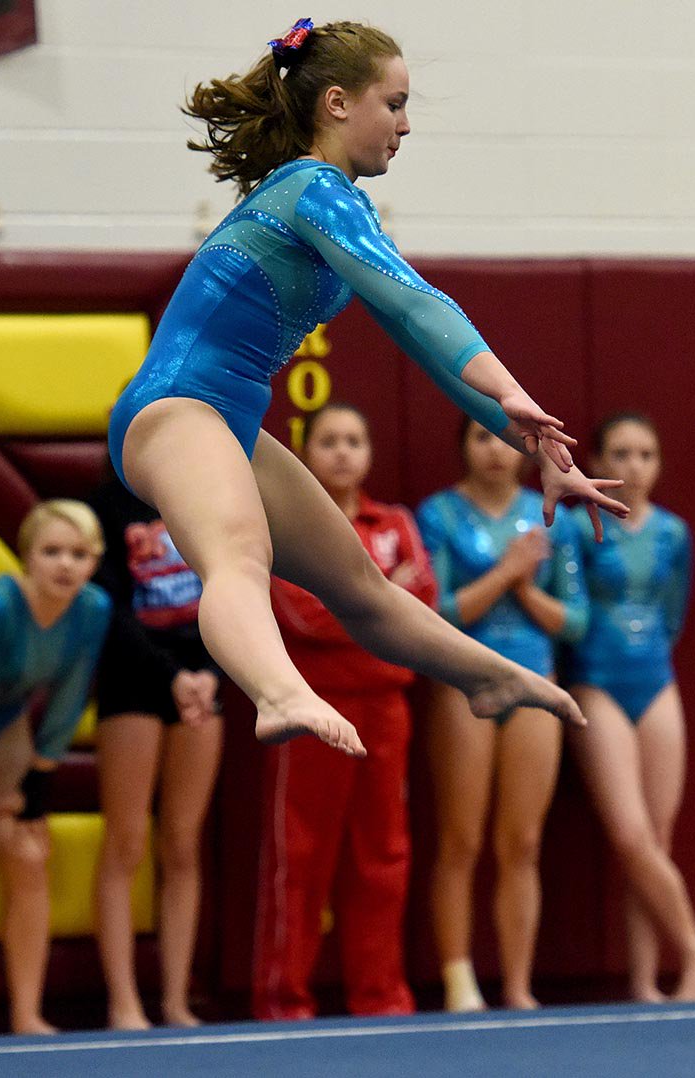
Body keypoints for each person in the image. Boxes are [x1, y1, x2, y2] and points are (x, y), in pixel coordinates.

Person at [107, 19, 629, 763]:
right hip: (174, 410)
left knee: (359, 583)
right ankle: (277, 692)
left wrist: (539, 450)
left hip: (228, 421)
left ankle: (486, 677)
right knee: (238, 554)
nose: (405, 125)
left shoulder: (335, 202)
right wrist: (510, 391)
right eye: (395, 103)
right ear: (338, 103)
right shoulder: (311, 187)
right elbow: (419, 304)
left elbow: (419, 338)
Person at [253, 402, 436, 1020]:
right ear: (306, 452)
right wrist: (384, 594)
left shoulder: (396, 522)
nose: (342, 451)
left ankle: (380, 997)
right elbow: (300, 614)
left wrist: (355, 601)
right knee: (300, 857)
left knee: (385, 855)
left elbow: (425, 601)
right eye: (329, 440)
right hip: (312, 709)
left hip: (386, 708)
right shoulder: (285, 524)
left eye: (354, 440)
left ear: (370, 453)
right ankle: (283, 1001)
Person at [416, 418, 588, 1011]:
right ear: (463, 445)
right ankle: (459, 982)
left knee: (522, 842)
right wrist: (508, 573)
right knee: (460, 838)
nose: (495, 449)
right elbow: (433, 613)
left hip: (534, 681)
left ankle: (518, 987)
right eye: (481, 437)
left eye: (505, 439)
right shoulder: (439, 514)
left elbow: (576, 622)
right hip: (465, 682)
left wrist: (525, 589)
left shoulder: (552, 517)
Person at [567, 413, 695, 1002]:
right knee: (630, 835)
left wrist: (647, 655)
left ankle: (645, 985)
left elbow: (673, 614)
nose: (634, 466)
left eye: (646, 454)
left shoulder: (674, 533)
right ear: (597, 463)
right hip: (596, 681)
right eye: (621, 454)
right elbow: (572, 613)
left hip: (655, 681)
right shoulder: (578, 525)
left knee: (657, 839)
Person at [0, 500, 111, 1037]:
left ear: (95, 561)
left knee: (28, 853)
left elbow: (69, 697)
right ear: (26, 556)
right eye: (51, 552)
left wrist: (39, 785)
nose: (65, 565)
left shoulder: (92, 609)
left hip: (4, 721)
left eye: (78, 554)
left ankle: (27, 1014)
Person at [88, 461, 224, 1030]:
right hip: (133, 680)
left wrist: (213, 670)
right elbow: (108, 606)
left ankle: (174, 1000)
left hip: (201, 680)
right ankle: (123, 1001)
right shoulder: (105, 507)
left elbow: (230, 587)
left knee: (183, 843)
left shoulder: (205, 497)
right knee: (125, 842)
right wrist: (170, 675)